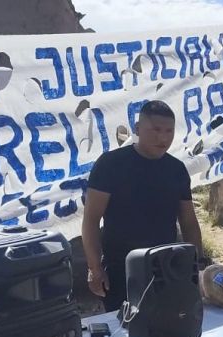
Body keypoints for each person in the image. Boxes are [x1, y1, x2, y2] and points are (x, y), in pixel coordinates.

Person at [83, 100, 204, 313]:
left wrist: (196, 263)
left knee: (167, 329)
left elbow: (188, 222)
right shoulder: (111, 164)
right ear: (138, 129)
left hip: (167, 267)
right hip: (121, 268)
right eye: (156, 130)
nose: (163, 137)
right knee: (125, 333)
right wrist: (95, 268)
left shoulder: (176, 169)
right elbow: (91, 220)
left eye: (169, 131)